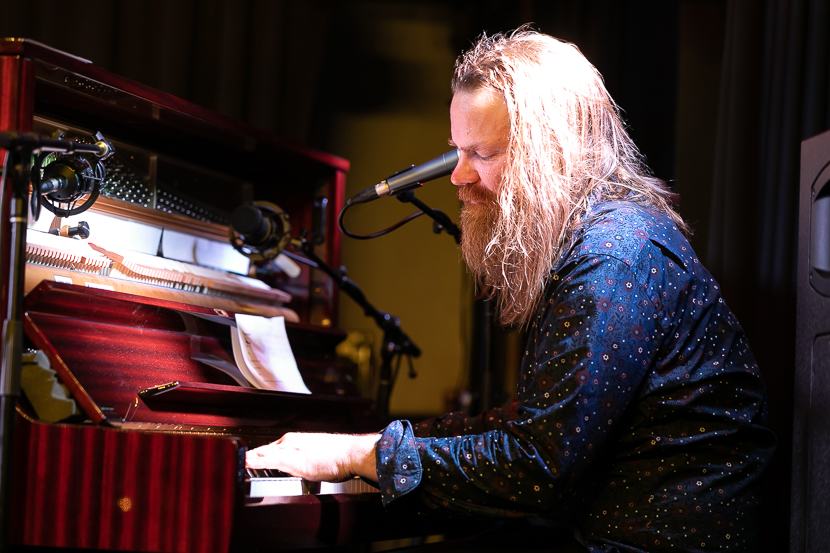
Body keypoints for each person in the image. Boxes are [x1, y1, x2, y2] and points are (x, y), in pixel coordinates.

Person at [247, 29, 775, 553]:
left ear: (554, 154)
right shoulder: (596, 241)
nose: (458, 177)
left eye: (482, 153)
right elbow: (533, 428)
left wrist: (359, 457)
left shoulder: (611, 259)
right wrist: (377, 448)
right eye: (457, 151)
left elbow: (539, 465)